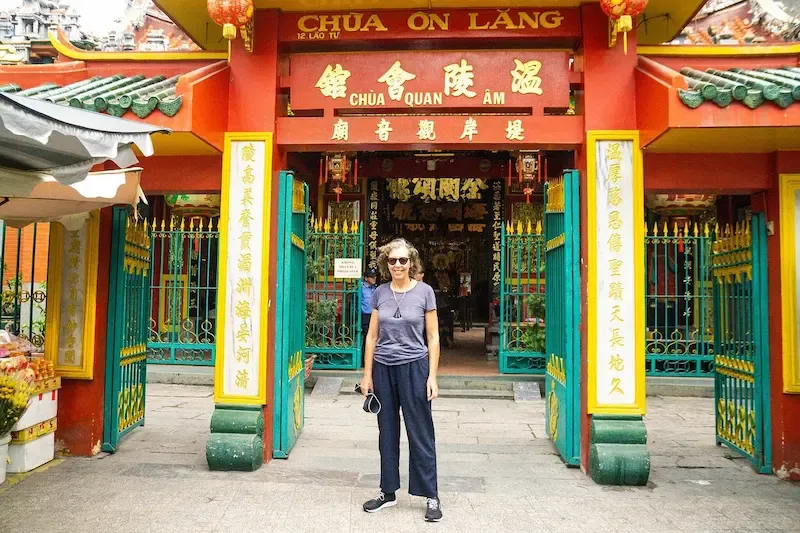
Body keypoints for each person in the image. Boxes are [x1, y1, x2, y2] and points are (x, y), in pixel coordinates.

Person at [360, 238, 442, 522]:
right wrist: (367, 374)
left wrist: (432, 375)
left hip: (415, 367)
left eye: (403, 260)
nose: (397, 265)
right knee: (387, 432)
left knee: (420, 431)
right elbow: (372, 336)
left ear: (412, 263)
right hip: (383, 368)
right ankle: (388, 491)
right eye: (392, 260)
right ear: (386, 263)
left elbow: (432, 337)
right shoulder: (380, 293)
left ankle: (430, 494)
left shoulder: (425, 292)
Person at [361, 267, 378, 347]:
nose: (374, 278)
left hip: (374, 315)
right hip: (365, 316)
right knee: (367, 336)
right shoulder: (361, 289)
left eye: (375, 276)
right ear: (366, 278)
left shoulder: (375, 288)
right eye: (371, 277)